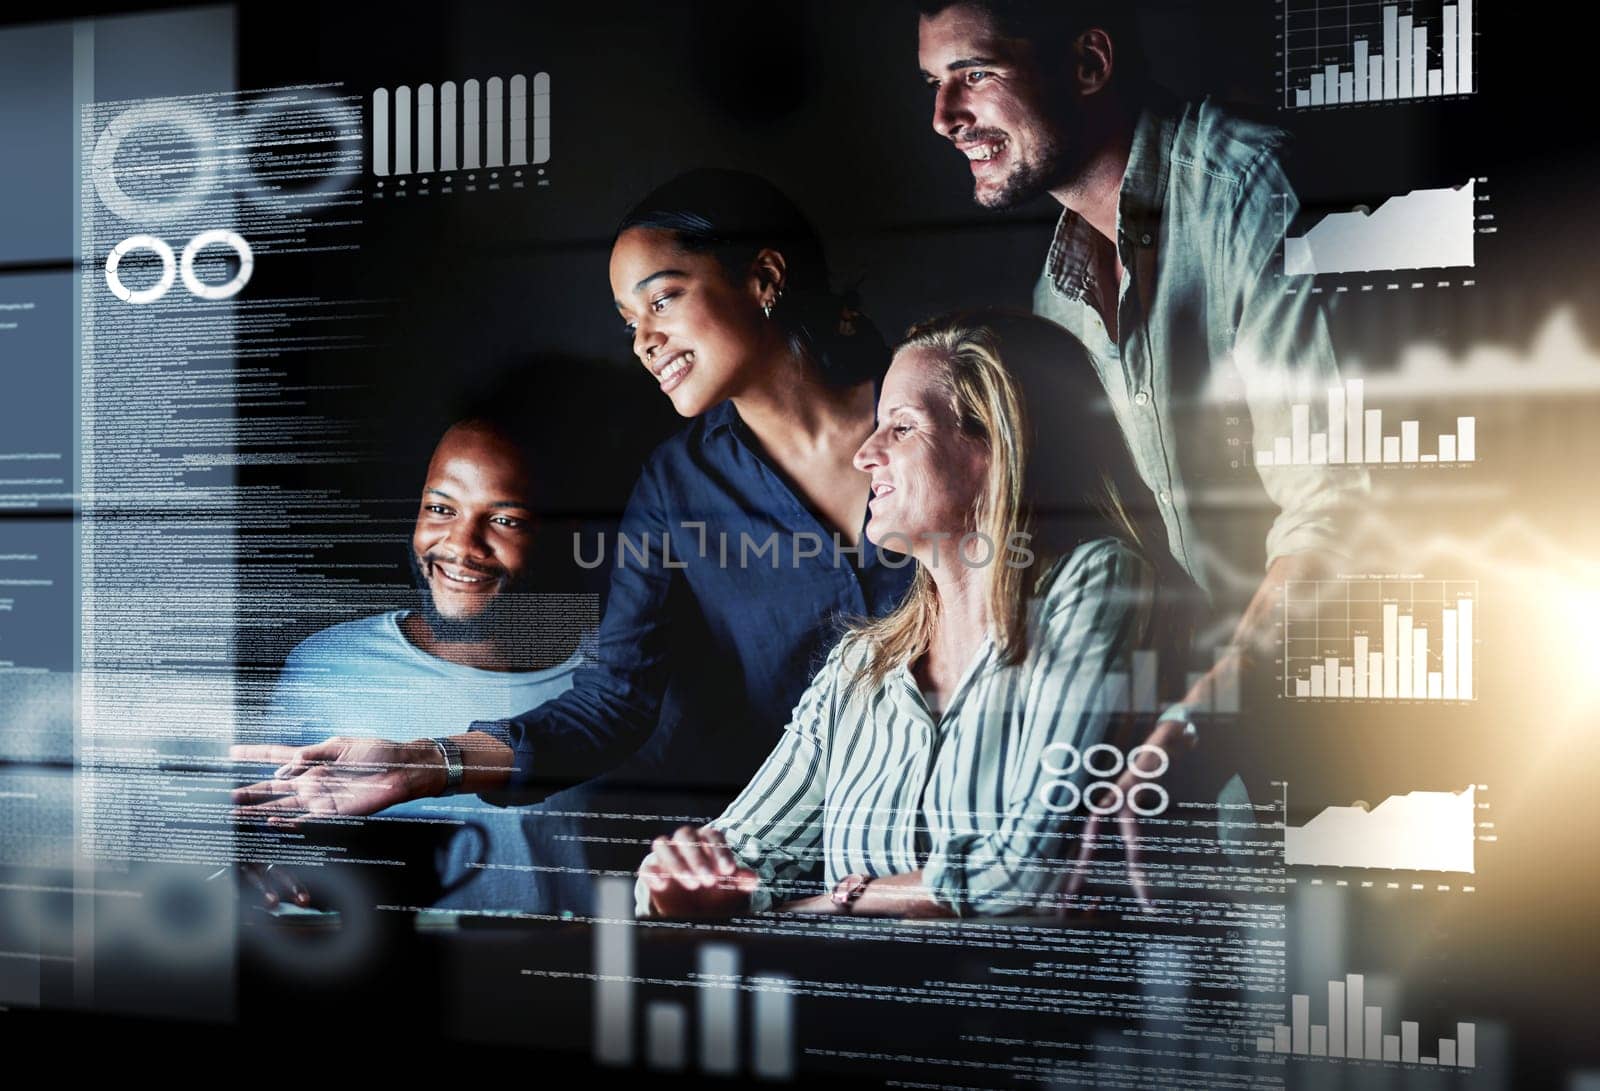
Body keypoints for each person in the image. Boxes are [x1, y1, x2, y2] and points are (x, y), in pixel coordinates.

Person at [232, 170, 914, 832]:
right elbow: (613, 703)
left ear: (764, 277)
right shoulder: (675, 487)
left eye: (663, 298)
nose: (645, 340)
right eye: (628, 321)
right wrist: (425, 762)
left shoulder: (945, 407)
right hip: (813, 850)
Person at [914, 0, 1367, 868]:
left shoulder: (1251, 189)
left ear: (1088, 63)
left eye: (973, 73)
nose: (943, 118)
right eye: (934, 85)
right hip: (1201, 791)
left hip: (1355, 748)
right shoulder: (1059, 296)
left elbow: (1343, 508)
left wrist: (1196, 720)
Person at [637, 312, 1189, 919]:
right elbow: (737, 855)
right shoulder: (860, 667)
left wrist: (829, 904)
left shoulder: (1097, 583)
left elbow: (1033, 871)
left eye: (900, 428)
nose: (865, 455)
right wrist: (672, 879)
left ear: (993, 446)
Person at [236, 417, 598, 914]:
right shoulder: (326, 667)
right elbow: (257, 842)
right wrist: (253, 862)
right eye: (441, 508)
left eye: (505, 519)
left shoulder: (618, 683)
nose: (460, 544)